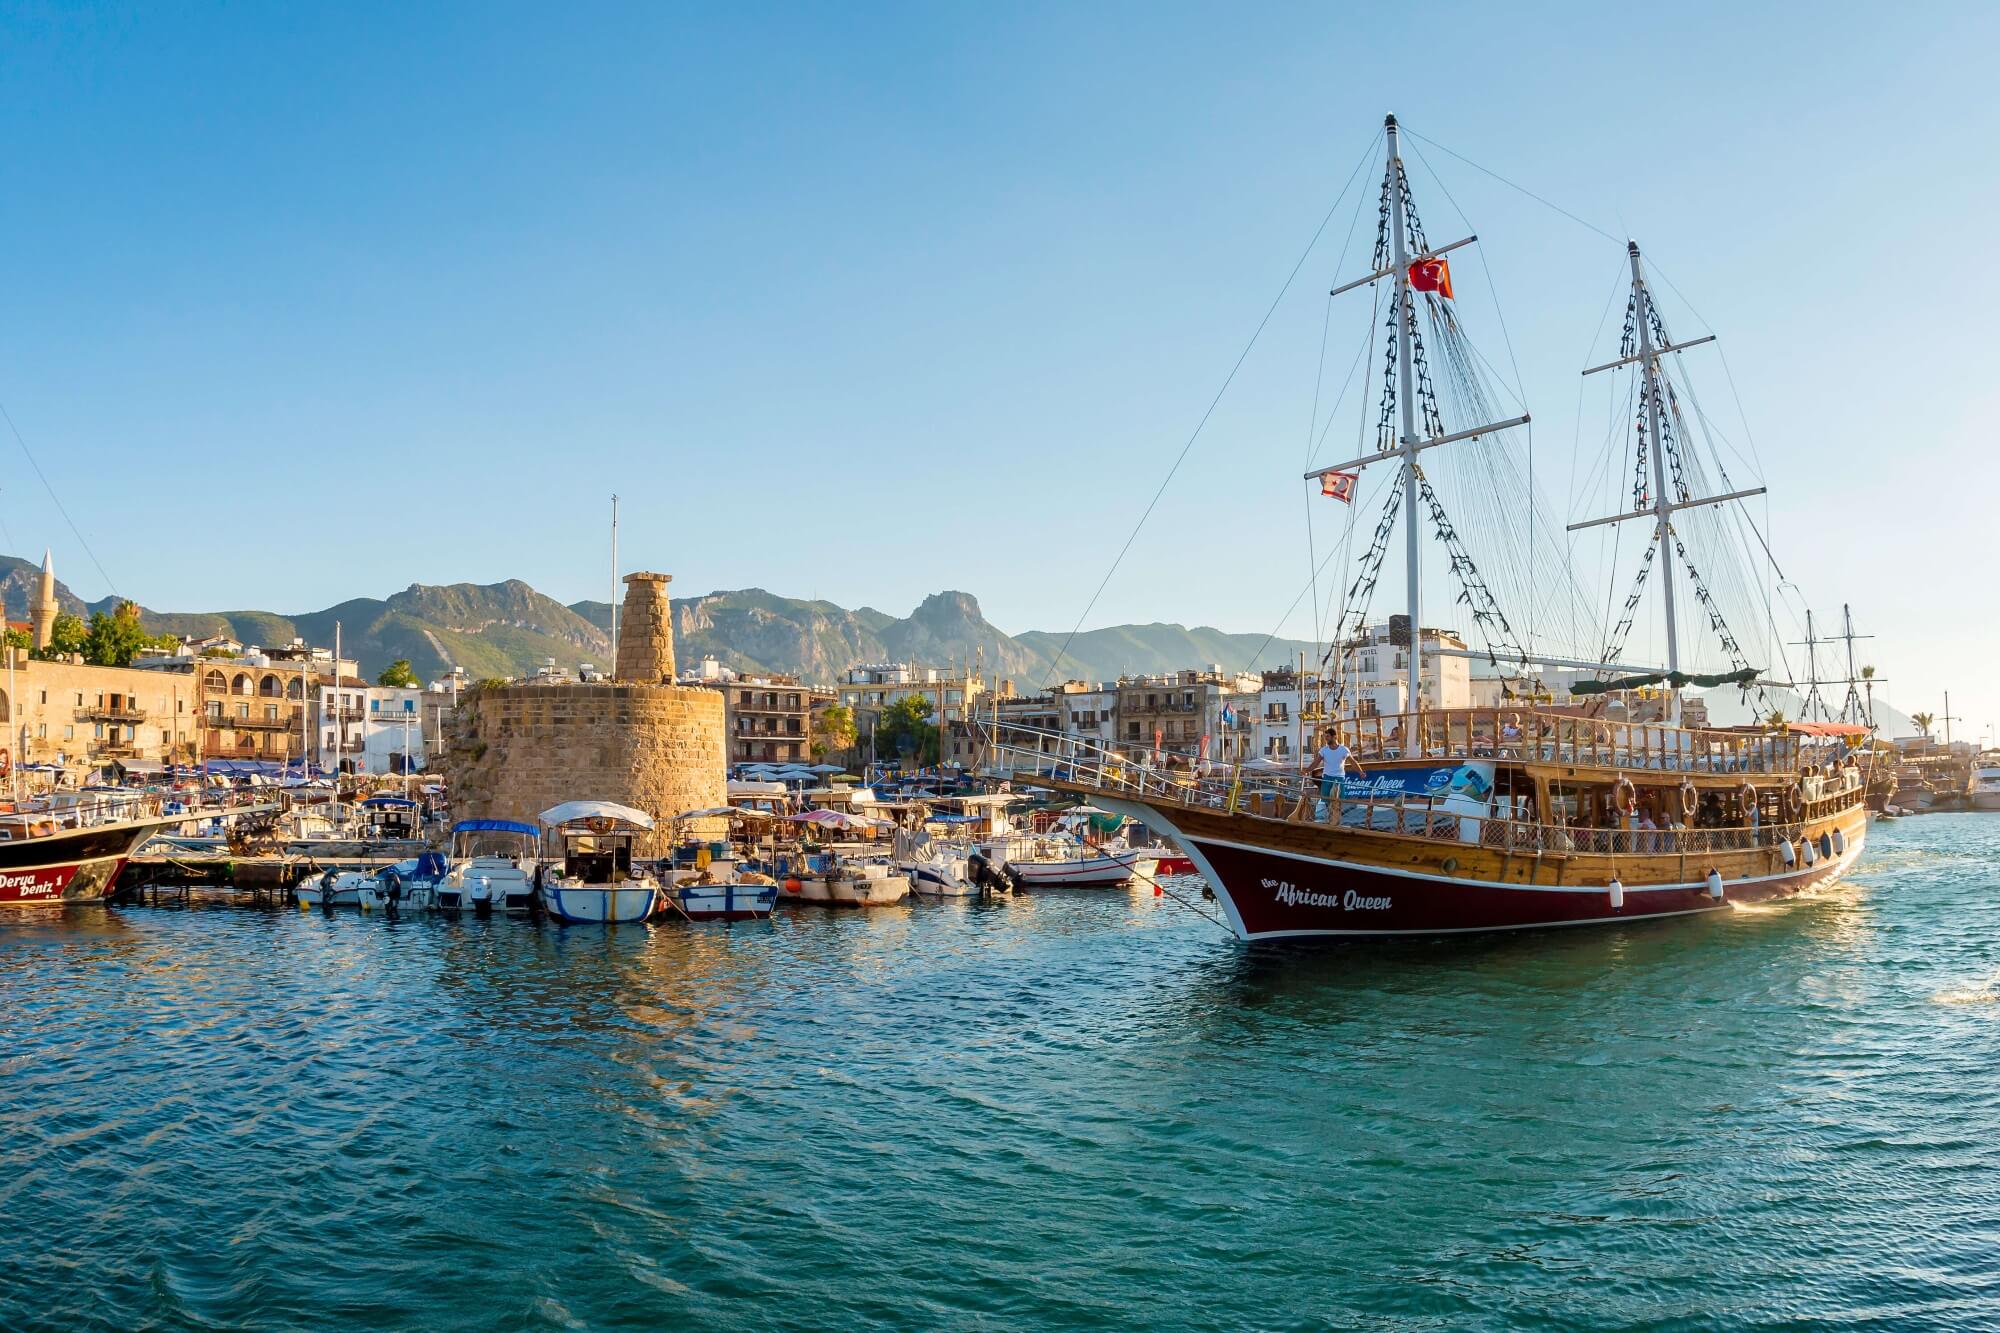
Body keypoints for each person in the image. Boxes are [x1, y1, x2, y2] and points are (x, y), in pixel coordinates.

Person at [1313, 728, 1365, 820]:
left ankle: (1337, 817)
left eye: (1328, 736)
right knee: (1326, 799)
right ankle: (1331, 816)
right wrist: (1307, 770)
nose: (1326, 739)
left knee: (1339, 800)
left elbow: (1352, 762)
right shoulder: (1323, 750)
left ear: (1334, 737)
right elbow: (1316, 762)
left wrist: (1360, 772)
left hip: (1339, 777)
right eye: (1325, 737)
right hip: (1327, 777)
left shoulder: (1343, 749)